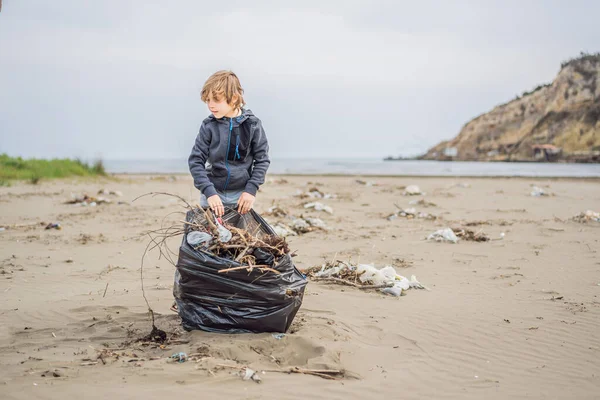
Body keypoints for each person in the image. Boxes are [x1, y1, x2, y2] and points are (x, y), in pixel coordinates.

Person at [189, 70, 270, 217]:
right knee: (207, 237)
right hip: (213, 195)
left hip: (241, 196)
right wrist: (209, 192)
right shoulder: (208, 126)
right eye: (207, 100)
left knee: (238, 238)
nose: (210, 105)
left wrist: (251, 190)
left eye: (216, 100)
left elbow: (262, 160)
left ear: (233, 98)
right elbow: (195, 161)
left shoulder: (253, 125)